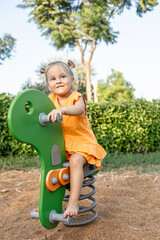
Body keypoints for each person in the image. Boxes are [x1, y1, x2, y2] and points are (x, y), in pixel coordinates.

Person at [40, 60, 107, 218]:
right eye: (53, 79)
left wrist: (62, 110)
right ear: (48, 85)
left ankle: (73, 202)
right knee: (48, 166)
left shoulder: (77, 97)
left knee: (76, 161)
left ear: (72, 80)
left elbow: (79, 109)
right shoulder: (49, 101)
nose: (59, 81)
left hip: (82, 144)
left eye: (63, 76)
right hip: (63, 147)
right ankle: (45, 205)